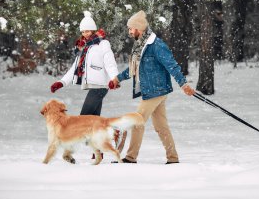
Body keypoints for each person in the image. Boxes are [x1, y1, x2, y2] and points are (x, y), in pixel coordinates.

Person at [109, 10, 195, 164]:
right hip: (152, 91)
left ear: (139, 28)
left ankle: (130, 157)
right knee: (161, 126)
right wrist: (118, 79)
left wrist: (183, 84)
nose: (129, 32)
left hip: (156, 90)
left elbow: (172, 65)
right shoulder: (140, 46)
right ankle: (173, 158)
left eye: (131, 29)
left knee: (137, 121)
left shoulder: (156, 45)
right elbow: (133, 68)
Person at [50, 11, 120, 160]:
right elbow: (74, 68)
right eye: (82, 31)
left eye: (87, 31)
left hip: (101, 86)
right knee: (93, 122)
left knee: (81, 121)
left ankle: (69, 153)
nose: (85, 34)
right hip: (92, 86)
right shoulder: (83, 47)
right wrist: (61, 82)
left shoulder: (102, 44)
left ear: (93, 30)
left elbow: (110, 62)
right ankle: (101, 147)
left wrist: (114, 78)